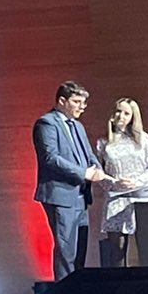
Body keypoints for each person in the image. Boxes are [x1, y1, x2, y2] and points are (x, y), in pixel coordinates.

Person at [33, 81, 106, 281]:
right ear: (62, 101)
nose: (82, 106)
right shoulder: (46, 123)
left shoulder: (78, 126)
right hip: (61, 195)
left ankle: (76, 293)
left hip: (81, 196)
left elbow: (88, 155)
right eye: (77, 101)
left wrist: (100, 172)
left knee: (80, 249)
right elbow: (50, 158)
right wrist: (83, 173)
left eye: (84, 102)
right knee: (66, 251)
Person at [97, 96, 148, 268]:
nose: (121, 116)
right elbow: (100, 174)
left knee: (147, 247)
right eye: (118, 111)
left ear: (133, 117)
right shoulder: (103, 143)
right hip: (117, 198)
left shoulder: (143, 138)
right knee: (117, 252)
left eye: (126, 113)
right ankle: (120, 290)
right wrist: (114, 183)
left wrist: (137, 182)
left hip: (142, 198)